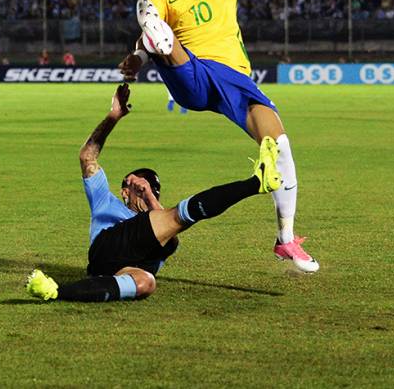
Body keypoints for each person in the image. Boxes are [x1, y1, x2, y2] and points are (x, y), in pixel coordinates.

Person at [118, 0, 319, 272]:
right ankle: (154, 43)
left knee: (280, 148)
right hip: (191, 74)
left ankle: (285, 239)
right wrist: (140, 57)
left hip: (234, 79)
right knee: (158, 28)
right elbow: (155, 25)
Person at [26, 84, 282, 302]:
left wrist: (149, 198)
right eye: (140, 186)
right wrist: (113, 117)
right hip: (106, 248)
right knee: (178, 218)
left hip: (122, 268)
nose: (146, 191)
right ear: (125, 189)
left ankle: (57, 292)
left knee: (146, 283)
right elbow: (87, 156)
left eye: (153, 189)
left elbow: (169, 242)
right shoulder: (105, 200)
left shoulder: (155, 215)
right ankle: (255, 183)